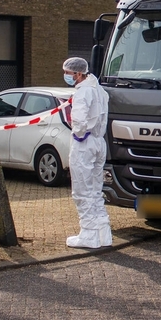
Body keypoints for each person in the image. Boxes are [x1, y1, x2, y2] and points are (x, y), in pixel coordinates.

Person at [63, 56, 113, 249]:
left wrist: (78, 134)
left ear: (77, 73)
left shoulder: (83, 92)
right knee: (94, 189)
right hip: (99, 142)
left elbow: (79, 120)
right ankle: (103, 233)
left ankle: (88, 235)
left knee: (82, 191)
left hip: (84, 143)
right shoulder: (99, 90)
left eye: (68, 73)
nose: (66, 76)